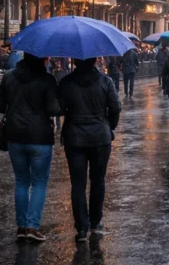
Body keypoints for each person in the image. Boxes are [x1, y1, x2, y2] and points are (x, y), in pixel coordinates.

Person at [0, 53, 59, 242]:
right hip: (40, 138)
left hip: (15, 136)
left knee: (22, 181)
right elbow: (54, 109)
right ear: (43, 58)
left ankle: (21, 227)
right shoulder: (47, 79)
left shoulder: (9, 76)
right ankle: (33, 226)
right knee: (39, 182)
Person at [59, 57, 121, 243]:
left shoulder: (67, 82)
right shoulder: (105, 81)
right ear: (95, 61)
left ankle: (81, 228)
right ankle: (95, 222)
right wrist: (108, 126)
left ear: (75, 61)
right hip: (100, 138)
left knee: (77, 184)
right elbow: (115, 107)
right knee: (98, 181)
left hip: (74, 137)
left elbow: (59, 108)